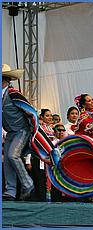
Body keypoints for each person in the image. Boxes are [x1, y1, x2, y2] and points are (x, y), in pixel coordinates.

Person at [2, 64, 34, 201]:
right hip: (10, 133)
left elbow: (30, 111)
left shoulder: (13, 93)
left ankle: (28, 184)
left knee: (13, 155)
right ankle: (10, 191)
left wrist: (33, 129)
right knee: (7, 162)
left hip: (22, 130)